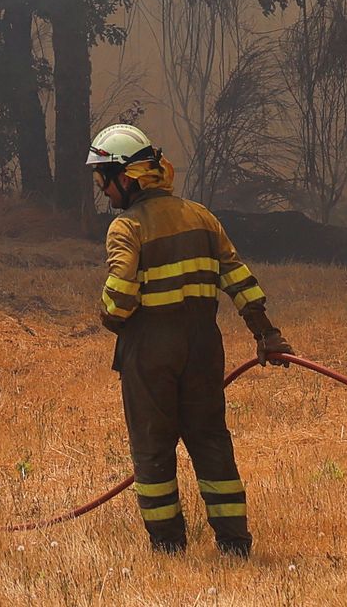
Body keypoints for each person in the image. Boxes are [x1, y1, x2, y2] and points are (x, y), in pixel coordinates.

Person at [87, 121, 288, 556]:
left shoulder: (126, 227)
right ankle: (234, 543)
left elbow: (119, 301)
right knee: (211, 440)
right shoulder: (202, 217)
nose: (102, 190)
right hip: (203, 347)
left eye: (103, 178)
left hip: (150, 352)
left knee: (153, 447)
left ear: (126, 177)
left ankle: (168, 546)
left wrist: (109, 317)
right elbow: (238, 278)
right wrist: (266, 333)